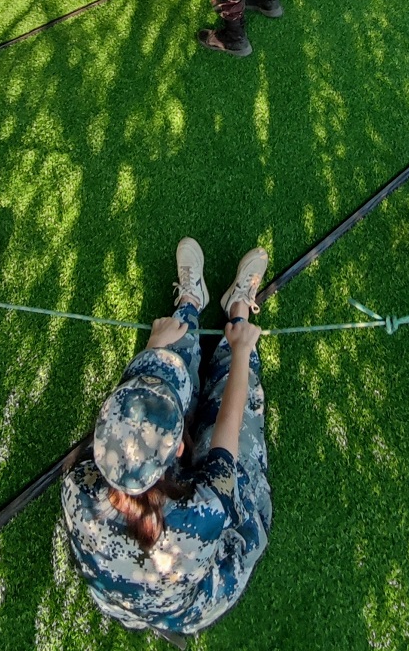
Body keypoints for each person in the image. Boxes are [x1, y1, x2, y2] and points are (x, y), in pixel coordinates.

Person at [62, 238, 271, 635]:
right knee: (241, 441)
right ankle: (238, 311)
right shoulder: (205, 511)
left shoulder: (77, 485)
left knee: (162, 380)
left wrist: (155, 348)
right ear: (178, 449)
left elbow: (130, 407)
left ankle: (190, 305)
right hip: (188, 602)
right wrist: (242, 351)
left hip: (125, 601)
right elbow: (226, 441)